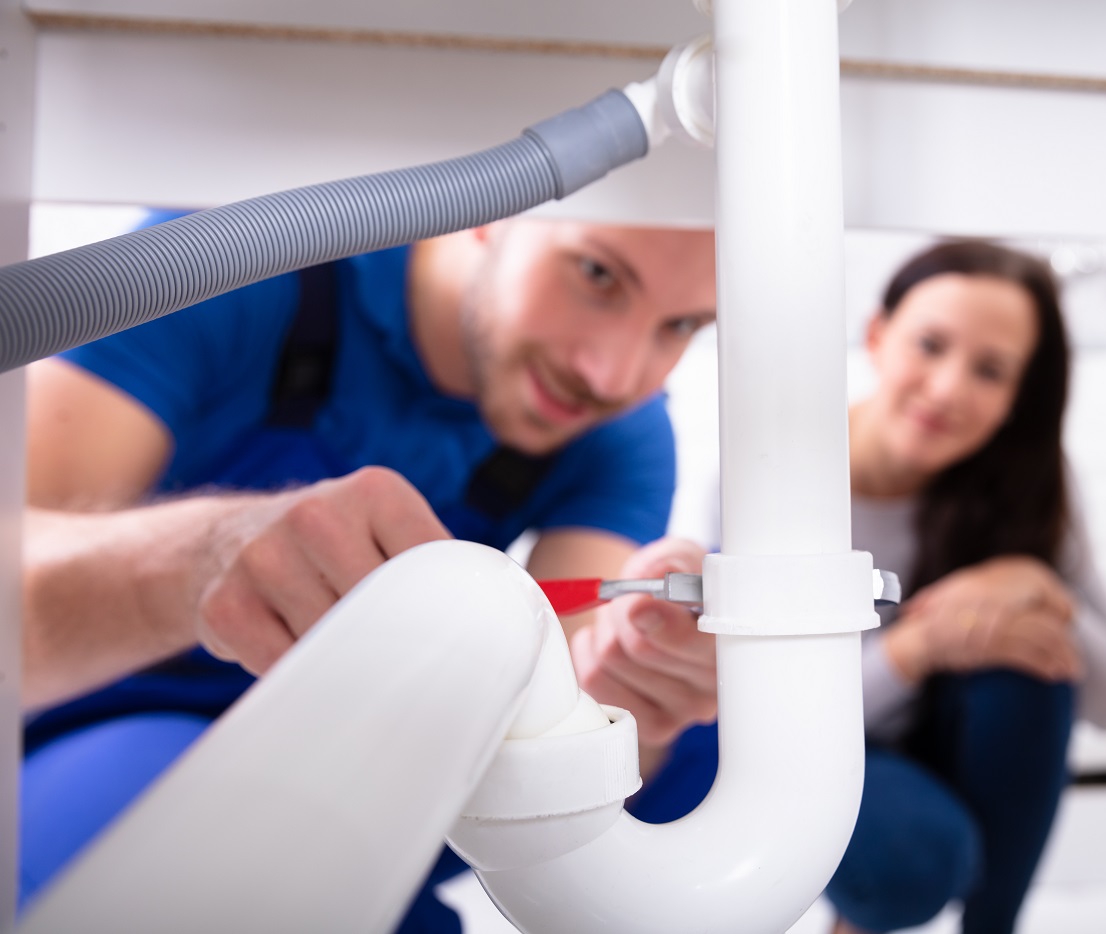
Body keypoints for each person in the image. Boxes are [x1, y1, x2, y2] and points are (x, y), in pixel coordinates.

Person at [19, 216, 721, 930]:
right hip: (101, 728)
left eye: (683, 324)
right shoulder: (214, 266)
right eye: (597, 275)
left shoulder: (618, 430)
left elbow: (566, 690)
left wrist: (632, 689)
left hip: (376, 760)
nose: (613, 373)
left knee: (705, 748)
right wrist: (206, 556)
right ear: (494, 208)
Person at [826, 239, 1106, 934]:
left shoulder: (1031, 484)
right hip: (817, 748)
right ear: (876, 336)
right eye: (929, 345)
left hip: (944, 736)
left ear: (1017, 398)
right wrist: (921, 649)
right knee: (912, 859)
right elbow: (748, 717)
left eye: (991, 371)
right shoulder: (759, 475)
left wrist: (1038, 586)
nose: (947, 390)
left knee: (1032, 658)